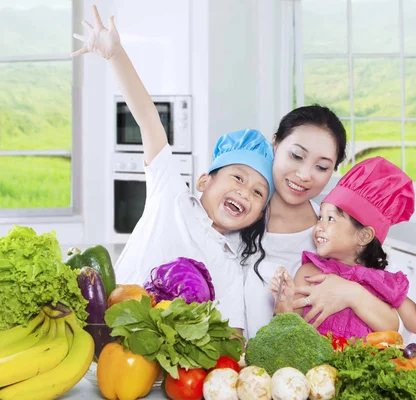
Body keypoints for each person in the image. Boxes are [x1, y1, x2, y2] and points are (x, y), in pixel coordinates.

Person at [72, 6, 274, 333]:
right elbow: (149, 120)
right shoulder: (172, 196)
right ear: (204, 180)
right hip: (103, 335)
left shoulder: (230, 265)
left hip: (160, 364)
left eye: (257, 193)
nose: (244, 192)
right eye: (238, 177)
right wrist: (116, 55)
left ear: (260, 213)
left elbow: (234, 334)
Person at [236, 106, 407, 339]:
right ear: (275, 144)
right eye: (296, 156)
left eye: (322, 167)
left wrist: (350, 292)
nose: (305, 174)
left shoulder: (338, 236)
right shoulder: (235, 218)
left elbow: (394, 328)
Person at [271, 157, 416, 339]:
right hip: (318, 368)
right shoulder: (309, 273)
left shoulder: (382, 284)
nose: (319, 226)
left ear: (364, 236)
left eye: (331, 219)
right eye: (320, 217)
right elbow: (289, 331)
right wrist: (282, 304)